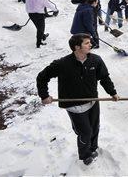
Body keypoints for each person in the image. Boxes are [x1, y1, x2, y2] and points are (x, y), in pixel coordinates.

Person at [36, 33, 119, 165]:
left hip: (92, 102)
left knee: (94, 127)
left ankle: (93, 148)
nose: (90, 44)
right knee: (85, 132)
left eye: (89, 42)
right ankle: (85, 155)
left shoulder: (96, 60)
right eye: (87, 43)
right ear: (76, 47)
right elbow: (42, 77)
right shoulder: (62, 64)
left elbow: (104, 78)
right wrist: (44, 95)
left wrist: (112, 93)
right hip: (74, 105)